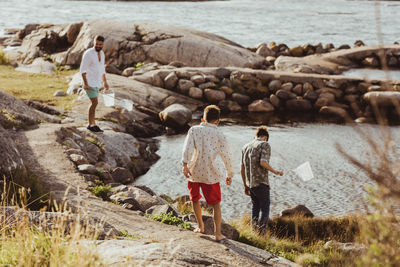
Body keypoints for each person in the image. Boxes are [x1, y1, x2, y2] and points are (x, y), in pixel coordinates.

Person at [181, 105, 234, 241]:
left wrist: (185, 165)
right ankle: (217, 234)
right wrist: (229, 173)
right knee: (215, 204)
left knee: (194, 198)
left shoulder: (194, 130)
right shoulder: (220, 134)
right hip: (211, 173)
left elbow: (187, 148)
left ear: (203, 118)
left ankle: (200, 226)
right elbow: (227, 155)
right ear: (218, 121)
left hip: (195, 171)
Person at [240, 126, 283, 233]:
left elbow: (242, 168)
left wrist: (245, 185)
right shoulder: (265, 144)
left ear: (255, 136)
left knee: (255, 208)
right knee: (265, 208)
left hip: (251, 184)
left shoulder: (245, 146)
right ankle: (261, 233)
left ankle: (254, 232)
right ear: (265, 137)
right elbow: (263, 162)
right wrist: (276, 172)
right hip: (261, 182)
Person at [80, 35, 109, 132]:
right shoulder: (88, 53)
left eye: (100, 44)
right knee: (94, 102)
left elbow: (102, 69)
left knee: (93, 103)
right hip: (89, 81)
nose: (98, 46)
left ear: (103, 44)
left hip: (97, 82)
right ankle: (90, 124)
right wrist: (85, 84)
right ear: (94, 42)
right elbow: (82, 70)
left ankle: (93, 123)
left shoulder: (102, 53)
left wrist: (105, 82)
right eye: (97, 44)